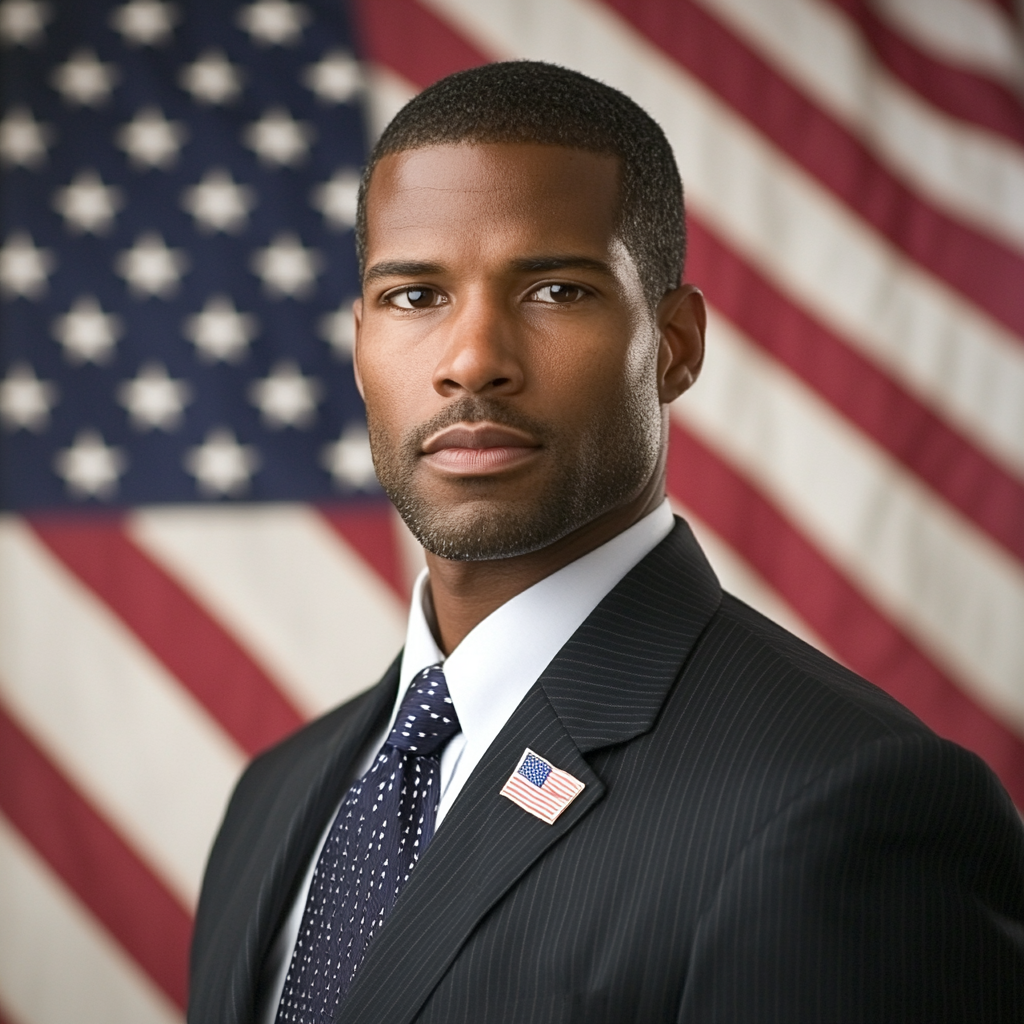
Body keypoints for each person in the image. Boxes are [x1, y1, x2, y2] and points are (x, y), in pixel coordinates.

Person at [188, 62, 1024, 1024]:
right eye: (415, 297)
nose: (470, 362)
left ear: (674, 345)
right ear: (359, 344)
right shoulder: (275, 797)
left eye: (553, 289)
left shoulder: (844, 798)